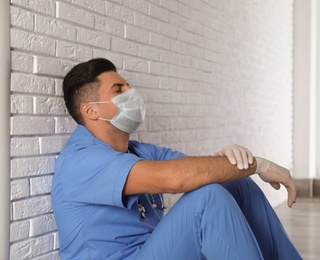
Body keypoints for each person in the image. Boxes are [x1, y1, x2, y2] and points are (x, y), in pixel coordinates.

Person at [51, 58, 302, 260]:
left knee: (236, 183)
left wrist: (229, 159)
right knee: (208, 200)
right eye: (119, 90)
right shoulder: (80, 161)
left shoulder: (139, 151)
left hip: (151, 250)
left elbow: (197, 172)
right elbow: (175, 179)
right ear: (90, 110)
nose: (131, 92)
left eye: (128, 86)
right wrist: (259, 164)